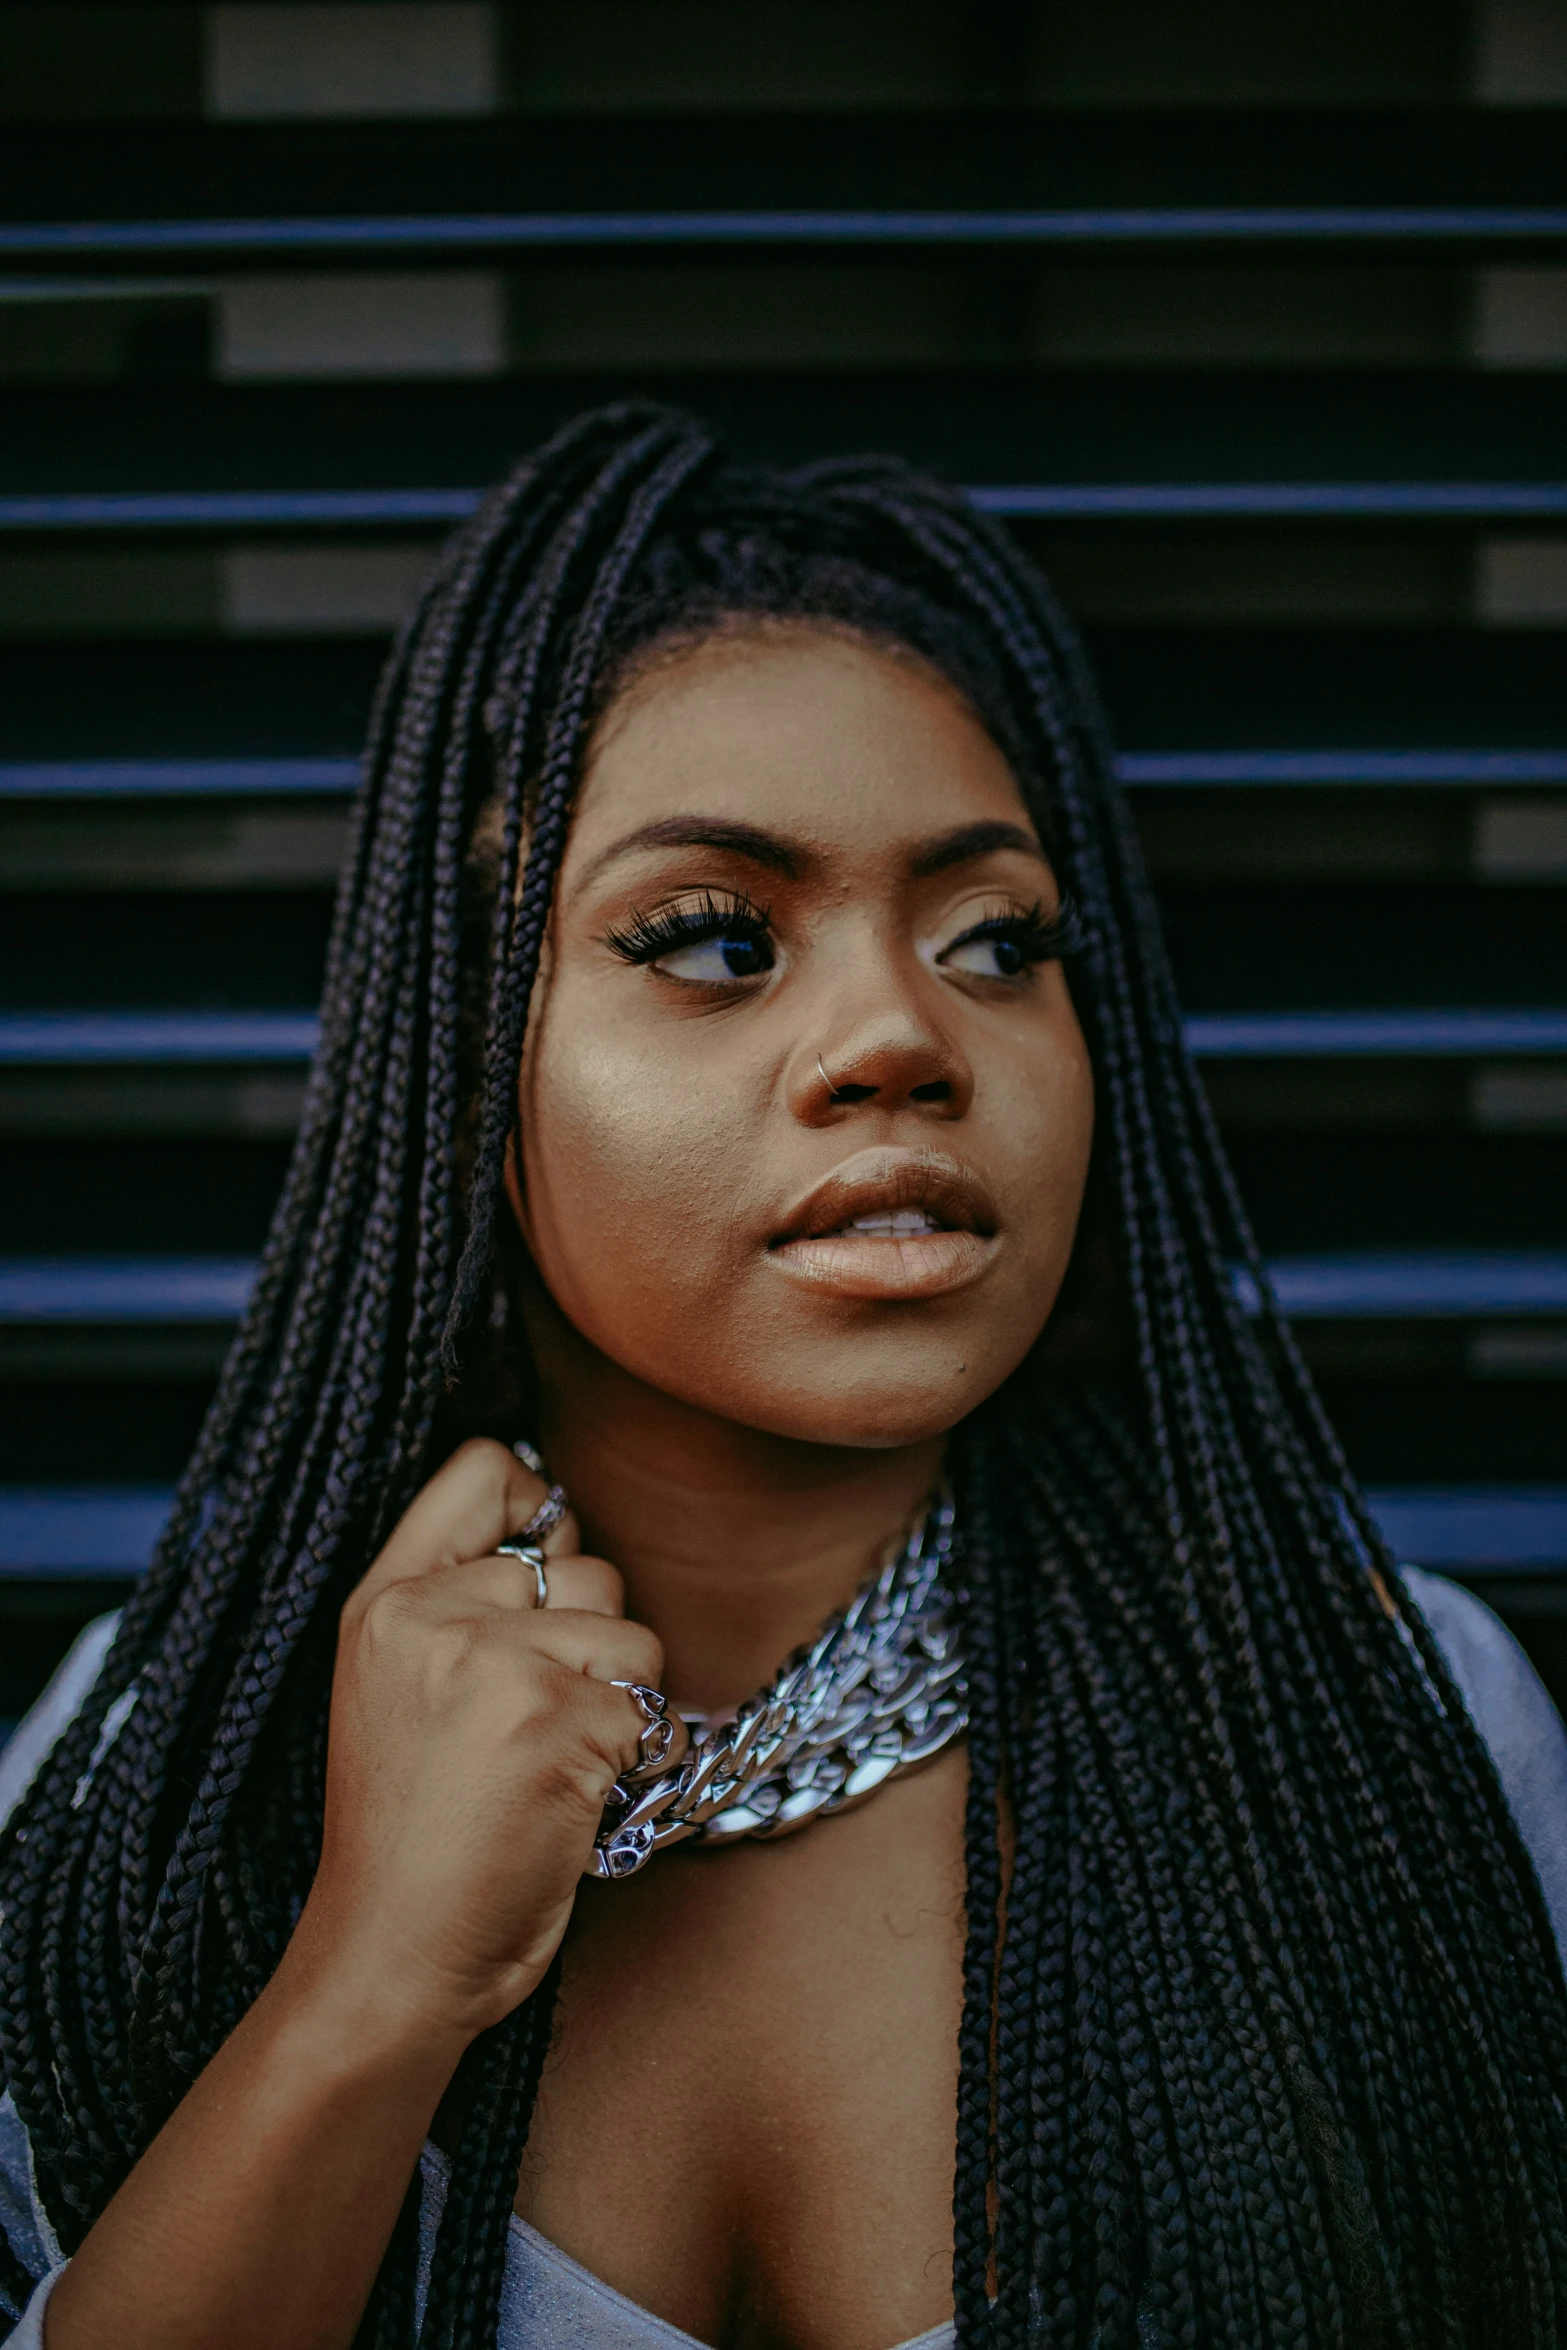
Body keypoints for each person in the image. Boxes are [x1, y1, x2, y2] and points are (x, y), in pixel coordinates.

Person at [2, 403, 1566, 2350]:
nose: (904, 1030)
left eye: (1000, 939)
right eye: (718, 939)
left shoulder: (1384, 1726)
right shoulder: (175, 1762)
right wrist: (369, 1977)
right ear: (465, 1061)